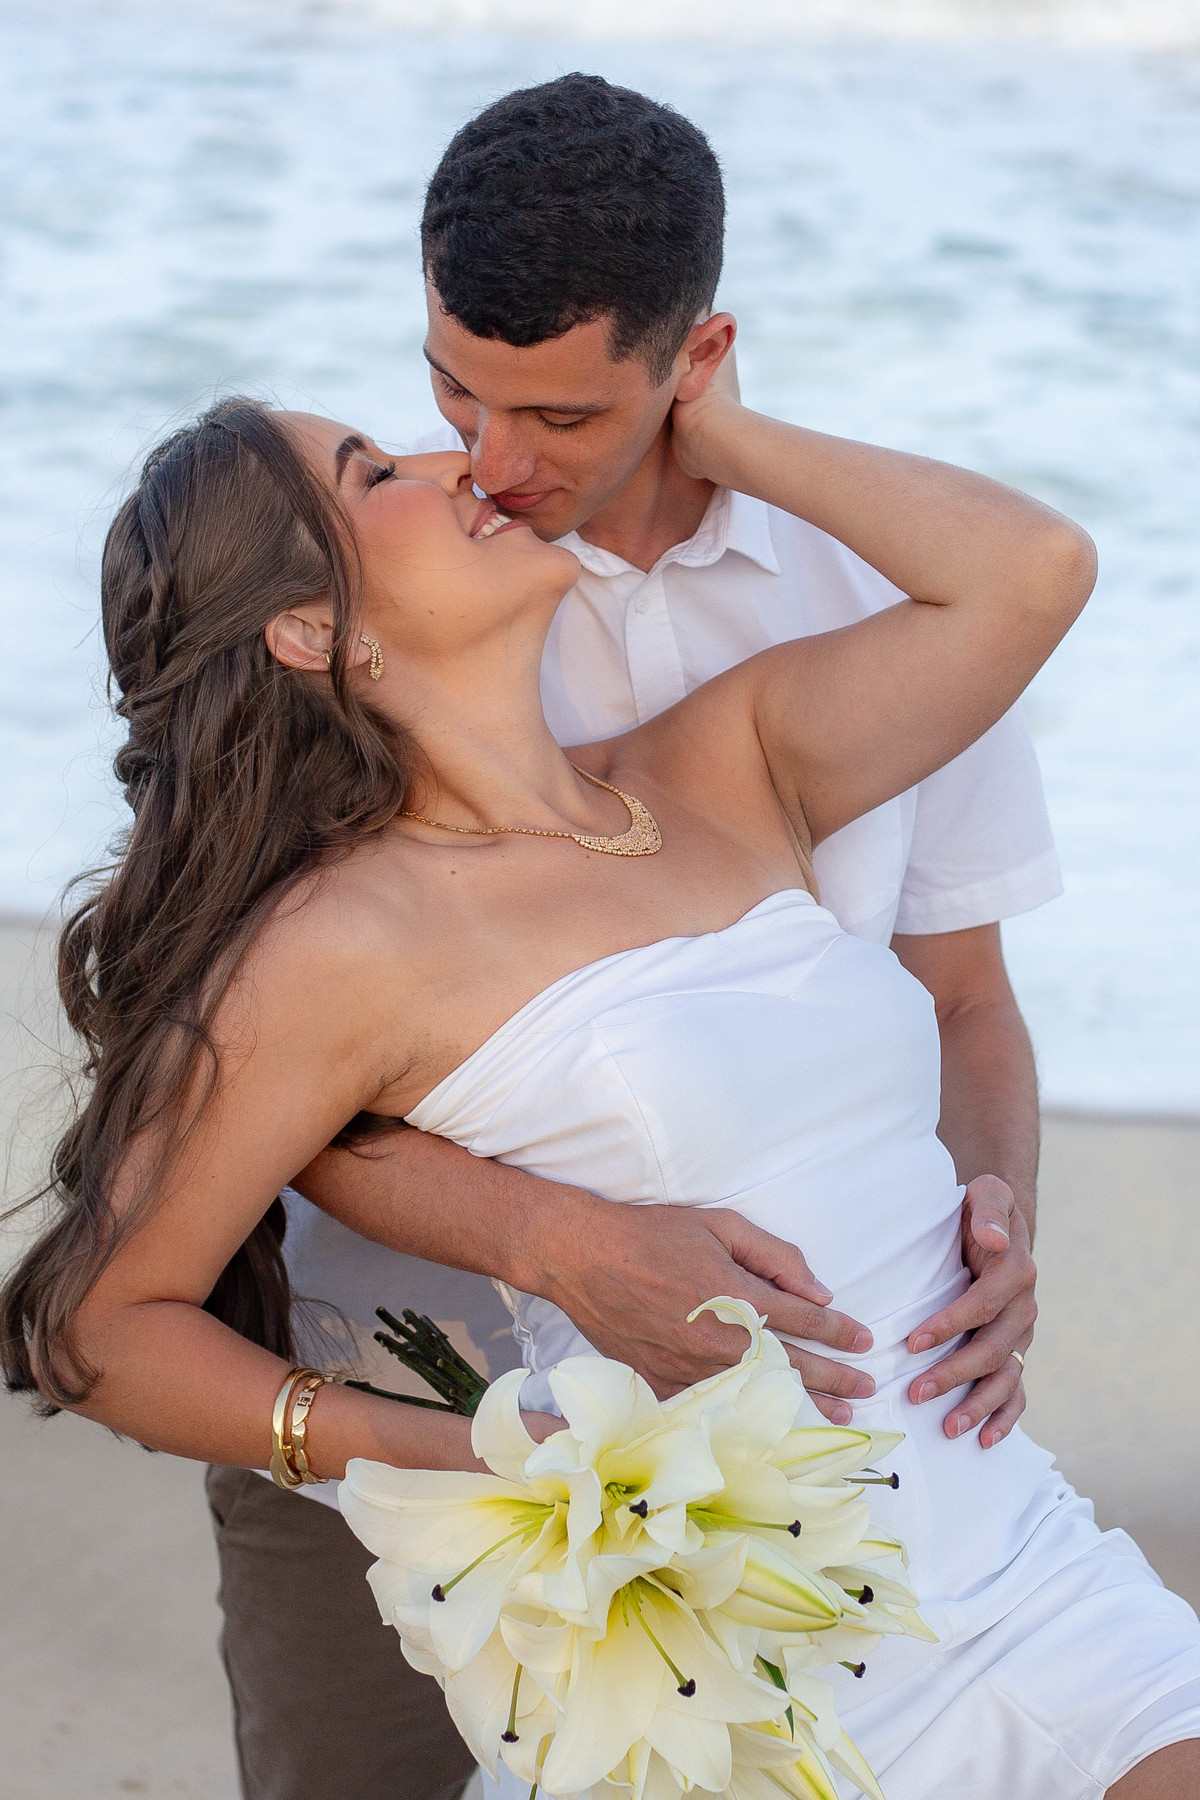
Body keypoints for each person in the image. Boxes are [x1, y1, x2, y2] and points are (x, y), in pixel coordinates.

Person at [5, 346, 1200, 1794]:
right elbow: (100, 1324)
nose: (459, 464)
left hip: (1029, 1571)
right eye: (376, 474)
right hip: (733, 1657)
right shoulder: (342, 941)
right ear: (312, 630)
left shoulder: (722, 763)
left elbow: (1033, 572)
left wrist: (714, 427)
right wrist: (469, 1455)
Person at [197, 76, 1041, 1797]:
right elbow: (271, 1068)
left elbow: (961, 995)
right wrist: (551, 1231)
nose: (495, 466)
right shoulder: (377, 593)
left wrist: (986, 1232)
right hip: (382, 1364)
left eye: (565, 416)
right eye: (451, 389)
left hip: (763, 1430)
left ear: (693, 355)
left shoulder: (874, 591)